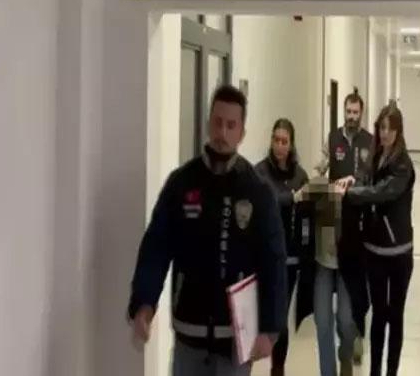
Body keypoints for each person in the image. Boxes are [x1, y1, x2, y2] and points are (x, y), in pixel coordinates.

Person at [127, 85, 288, 376]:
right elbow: (156, 246)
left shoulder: (257, 191)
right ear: (208, 123)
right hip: (189, 334)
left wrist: (270, 328)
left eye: (231, 125)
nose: (222, 133)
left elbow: (273, 261)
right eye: (217, 122)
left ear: (242, 133)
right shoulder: (181, 184)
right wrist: (144, 302)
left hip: (236, 340)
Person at [335, 105, 415, 376]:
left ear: (398, 131)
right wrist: (352, 180)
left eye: (390, 128)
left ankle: (391, 371)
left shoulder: (403, 164)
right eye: (381, 127)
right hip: (374, 251)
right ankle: (375, 371)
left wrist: (351, 194)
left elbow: (382, 192)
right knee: (379, 315)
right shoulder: (375, 155)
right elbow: (365, 179)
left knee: (395, 315)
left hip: (399, 252)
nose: (384, 133)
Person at [310, 90, 373, 376]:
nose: (351, 117)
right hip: (329, 226)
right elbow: (319, 168)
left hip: (355, 232)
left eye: (355, 112)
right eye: (348, 112)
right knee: (323, 321)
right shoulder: (333, 138)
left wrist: (355, 183)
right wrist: (321, 181)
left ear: (361, 113)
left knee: (346, 320)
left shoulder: (369, 142)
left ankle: (346, 351)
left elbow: (373, 178)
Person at [254, 119, 311, 376]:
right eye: (276, 140)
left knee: (281, 318)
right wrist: (292, 198)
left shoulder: (300, 175)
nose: (279, 146)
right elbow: (265, 202)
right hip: (264, 257)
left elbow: (307, 217)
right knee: (263, 316)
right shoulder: (259, 172)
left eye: (284, 141)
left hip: (290, 258)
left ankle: (278, 369)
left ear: (291, 144)